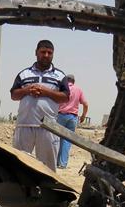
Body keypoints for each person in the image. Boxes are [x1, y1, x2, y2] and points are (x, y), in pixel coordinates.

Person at [10, 39, 69, 170]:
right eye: (43, 52)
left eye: (50, 52)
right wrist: (27, 90)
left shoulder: (60, 76)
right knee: (18, 165)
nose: (46, 55)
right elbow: (13, 95)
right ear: (36, 53)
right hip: (24, 125)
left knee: (48, 168)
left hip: (48, 127)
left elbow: (65, 97)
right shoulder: (24, 74)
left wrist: (45, 91)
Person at [55, 74, 89, 169]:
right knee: (67, 141)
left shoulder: (62, 88)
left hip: (61, 115)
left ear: (66, 80)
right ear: (74, 81)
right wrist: (83, 116)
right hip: (73, 117)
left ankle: (55, 162)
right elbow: (86, 104)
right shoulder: (78, 90)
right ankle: (62, 164)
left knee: (56, 139)